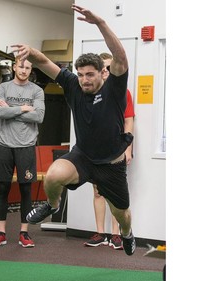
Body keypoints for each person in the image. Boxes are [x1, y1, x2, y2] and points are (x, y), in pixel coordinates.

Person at [13, 4, 136, 256]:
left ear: (104, 73)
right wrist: (31, 52)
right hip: (83, 157)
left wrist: (101, 23)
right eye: (80, 74)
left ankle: (126, 234)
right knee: (53, 175)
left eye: (90, 74)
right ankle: (52, 205)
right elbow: (45, 62)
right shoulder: (73, 85)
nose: (84, 80)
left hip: (111, 164)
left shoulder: (114, 89)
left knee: (121, 213)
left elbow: (121, 56)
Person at [0, 57, 45, 248]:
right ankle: (1, 233)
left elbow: (39, 116)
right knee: (3, 188)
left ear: (31, 70)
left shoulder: (37, 91)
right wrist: (22, 108)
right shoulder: (2, 88)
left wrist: (10, 110)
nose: (24, 70)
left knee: (26, 189)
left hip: (26, 145)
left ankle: (24, 233)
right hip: (4, 144)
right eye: (21, 66)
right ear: (14, 67)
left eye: (28, 67)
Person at [84, 52, 135, 250]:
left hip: (116, 150)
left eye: (108, 67)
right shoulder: (90, 93)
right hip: (95, 151)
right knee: (97, 191)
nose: (105, 71)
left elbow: (129, 119)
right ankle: (101, 233)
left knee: (115, 194)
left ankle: (116, 234)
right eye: (102, 68)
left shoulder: (121, 91)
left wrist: (127, 148)